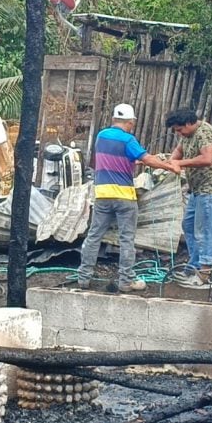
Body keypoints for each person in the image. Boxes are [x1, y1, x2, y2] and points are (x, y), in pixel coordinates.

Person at [77, 103, 178, 292]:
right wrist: (170, 166)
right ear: (130, 122)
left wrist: (133, 160)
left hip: (102, 195)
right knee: (126, 239)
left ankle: (83, 277)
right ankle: (126, 281)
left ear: (115, 119)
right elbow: (148, 159)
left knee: (94, 236)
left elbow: (116, 158)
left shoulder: (101, 136)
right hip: (124, 197)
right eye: (132, 123)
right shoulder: (129, 140)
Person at [166, 108, 212, 289]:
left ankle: (205, 275)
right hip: (197, 190)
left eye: (179, 129)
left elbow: (207, 158)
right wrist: (169, 162)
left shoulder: (205, 132)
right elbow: (178, 152)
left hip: (211, 190)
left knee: (205, 231)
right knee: (189, 225)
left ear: (189, 123)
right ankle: (194, 265)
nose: (178, 133)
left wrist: (180, 163)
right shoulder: (187, 135)